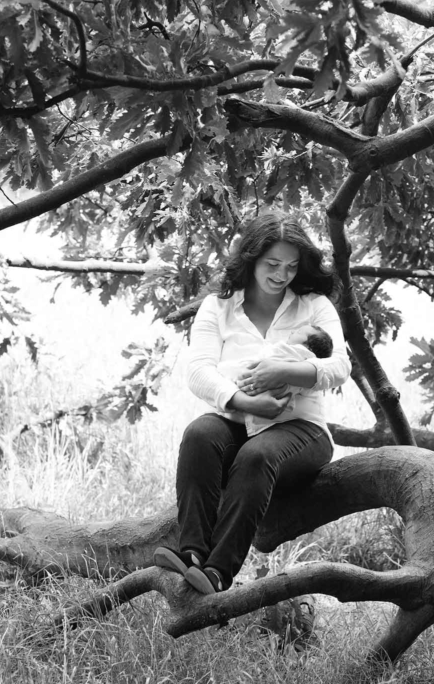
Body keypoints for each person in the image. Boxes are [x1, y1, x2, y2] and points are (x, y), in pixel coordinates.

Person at [154, 214, 350, 595]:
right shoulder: (218, 306)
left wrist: (282, 370)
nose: (282, 275)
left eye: (291, 267)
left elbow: (339, 366)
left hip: (300, 427)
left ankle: (217, 574)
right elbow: (197, 371)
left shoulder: (314, 306)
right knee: (199, 434)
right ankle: (191, 552)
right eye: (272, 265)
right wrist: (246, 401)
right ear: (251, 259)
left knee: (256, 455)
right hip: (236, 416)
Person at [216, 324, 334, 437]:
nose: (293, 332)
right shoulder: (307, 369)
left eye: (299, 332)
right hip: (275, 404)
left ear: (309, 347)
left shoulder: (295, 352)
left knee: (229, 372)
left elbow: (265, 358)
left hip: (257, 383)